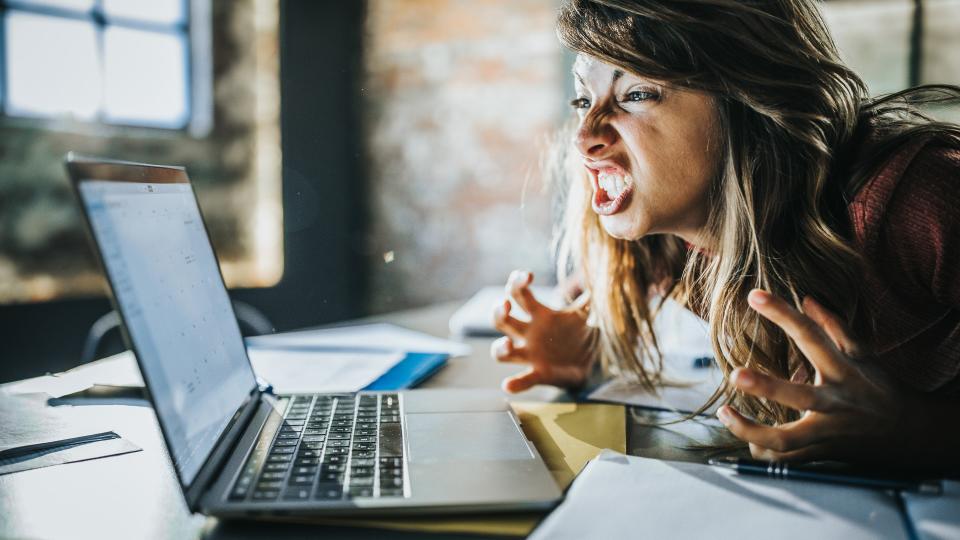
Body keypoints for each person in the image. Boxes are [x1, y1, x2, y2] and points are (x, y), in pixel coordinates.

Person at [491, 0, 960, 466]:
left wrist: (912, 429)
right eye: (582, 99)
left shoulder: (925, 199)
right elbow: (585, 309)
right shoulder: (666, 241)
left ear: (750, 100)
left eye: (636, 94)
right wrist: (591, 351)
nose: (584, 135)